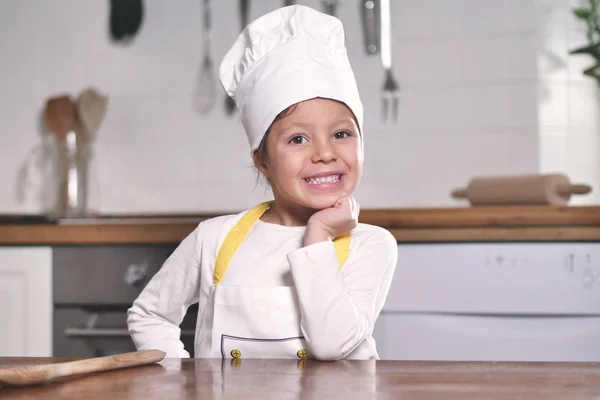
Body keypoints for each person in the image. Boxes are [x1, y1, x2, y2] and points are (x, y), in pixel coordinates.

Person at [127, 4, 398, 361]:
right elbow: (150, 314)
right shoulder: (214, 240)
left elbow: (332, 345)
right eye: (298, 139)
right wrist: (182, 383)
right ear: (262, 159)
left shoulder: (371, 245)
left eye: (342, 133)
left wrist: (318, 236)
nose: (325, 153)